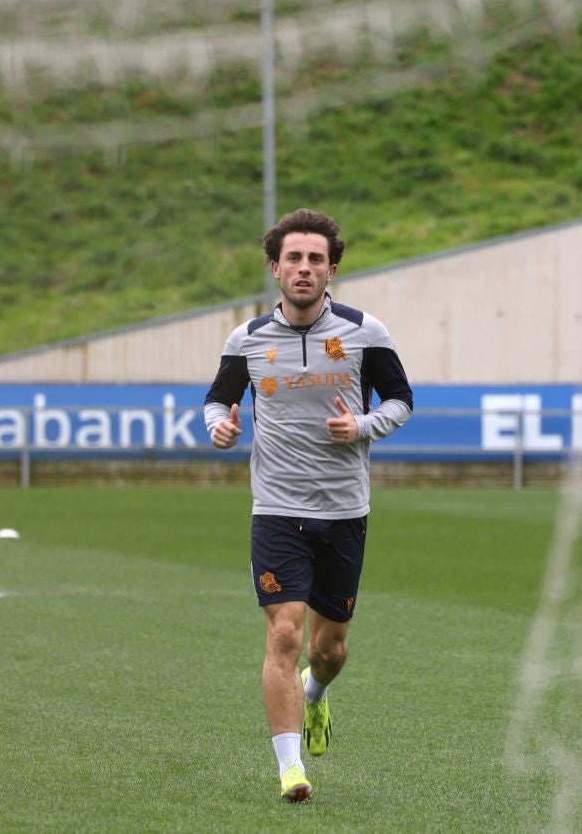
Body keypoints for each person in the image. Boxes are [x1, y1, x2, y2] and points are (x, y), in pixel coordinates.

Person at [203, 207, 414, 802]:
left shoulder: (365, 331)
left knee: (330, 648)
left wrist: (364, 426)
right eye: (293, 258)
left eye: (315, 259)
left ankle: (316, 695)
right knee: (285, 635)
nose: (303, 268)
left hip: (345, 510)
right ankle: (291, 769)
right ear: (275, 268)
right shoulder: (246, 339)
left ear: (332, 270)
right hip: (275, 508)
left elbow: (402, 400)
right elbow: (217, 402)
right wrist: (220, 426)